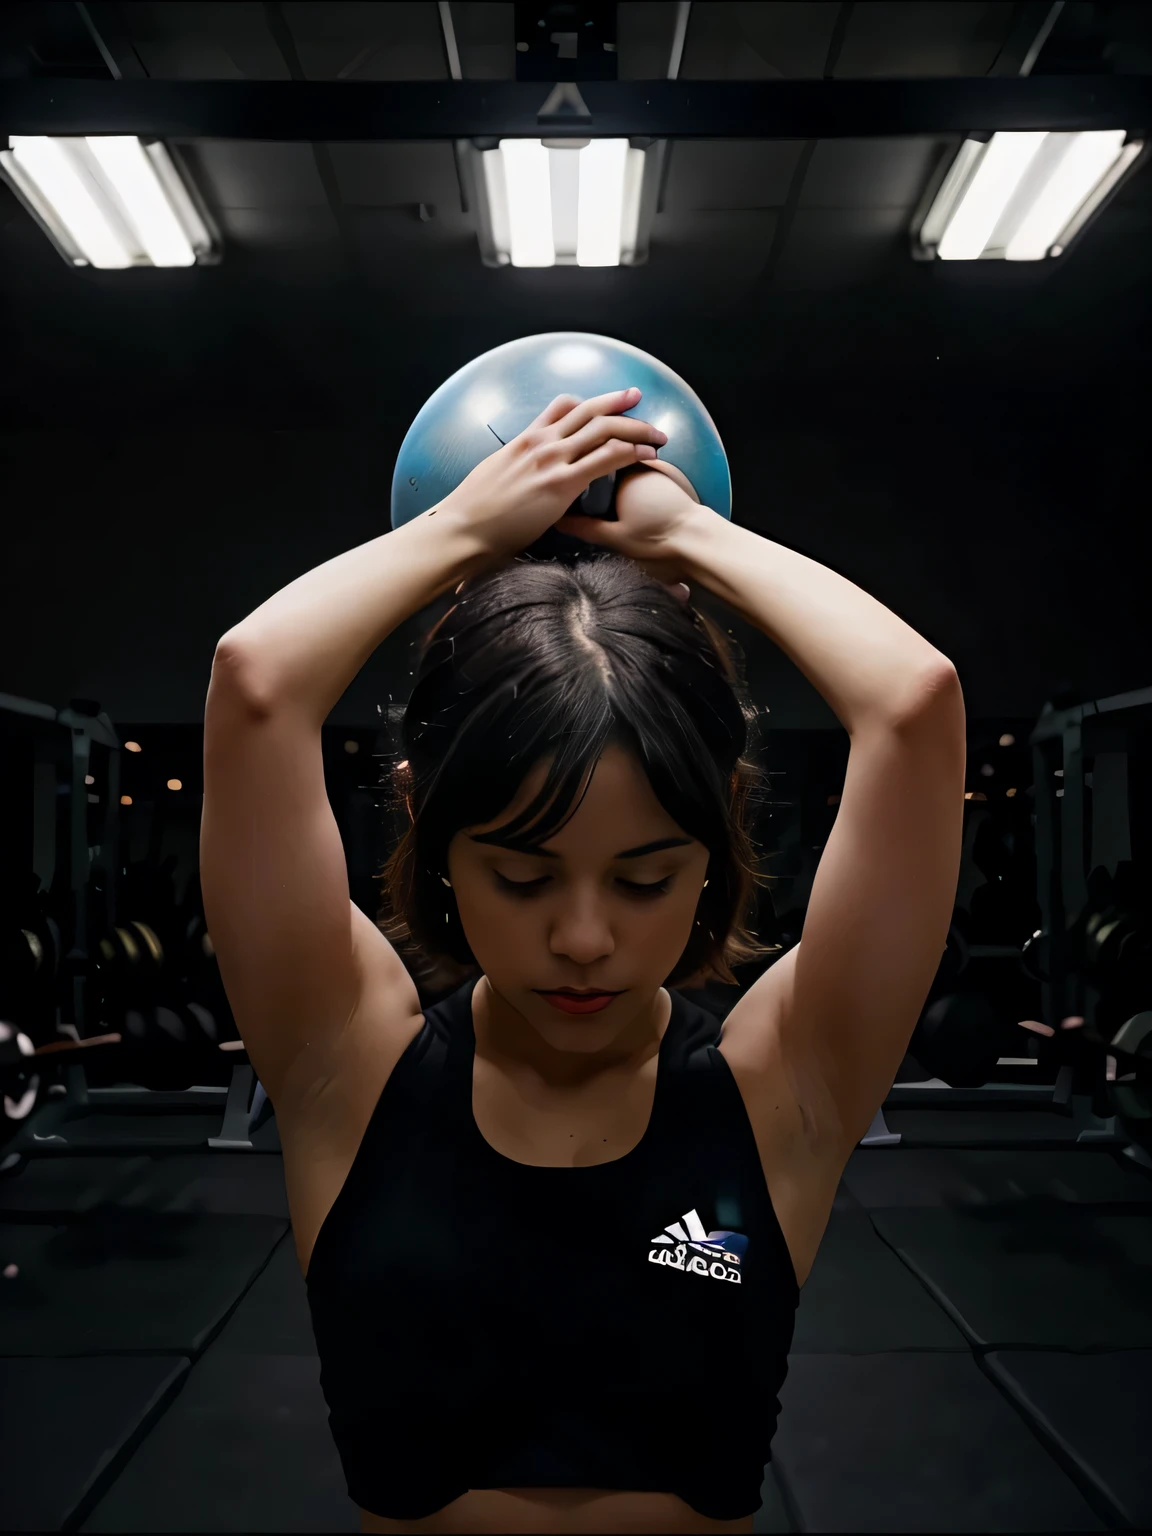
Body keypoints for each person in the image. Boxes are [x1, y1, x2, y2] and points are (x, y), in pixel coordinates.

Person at [201, 388, 966, 1535]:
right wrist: (461, 531)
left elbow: (915, 705)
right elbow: (256, 683)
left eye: (647, 876)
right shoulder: (342, 1066)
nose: (585, 938)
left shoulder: (783, 1087)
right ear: (430, 834)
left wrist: (690, 534)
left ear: (718, 838)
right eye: (521, 875)